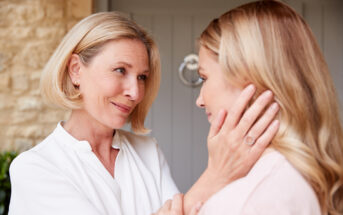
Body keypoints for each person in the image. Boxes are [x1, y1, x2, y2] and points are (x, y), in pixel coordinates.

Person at [8, 12, 279, 215]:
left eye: (142, 77)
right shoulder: (35, 169)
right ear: (76, 70)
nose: (135, 92)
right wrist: (217, 173)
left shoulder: (147, 151)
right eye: (120, 70)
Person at [195, 0, 343, 214]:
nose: (199, 101)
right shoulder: (299, 177)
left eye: (203, 77)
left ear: (249, 77)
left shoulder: (246, 201)